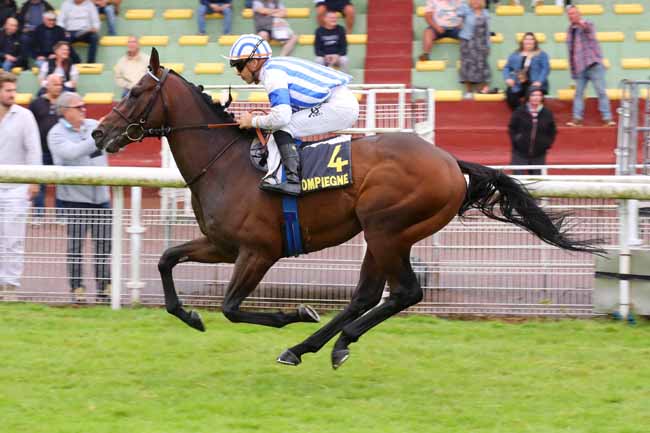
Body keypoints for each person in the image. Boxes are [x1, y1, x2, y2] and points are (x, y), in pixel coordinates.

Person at [227, 34, 359, 196]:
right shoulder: (274, 68)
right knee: (281, 126)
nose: (237, 73)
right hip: (337, 101)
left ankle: (291, 181)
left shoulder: (271, 75)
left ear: (254, 63)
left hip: (339, 106)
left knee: (284, 126)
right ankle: (280, 176)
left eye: (238, 66)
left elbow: (282, 117)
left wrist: (253, 121)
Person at [47, 91, 111, 303]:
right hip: (75, 199)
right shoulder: (55, 134)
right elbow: (73, 153)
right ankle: (77, 288)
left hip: (101, 196)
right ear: (65, 111)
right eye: (79, 106)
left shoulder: (93, 125)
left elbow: (110, 147)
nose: (84, 109)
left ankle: (105, 287)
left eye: (84, 105)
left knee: (104, 244)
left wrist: (108, 134)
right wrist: (100, 136)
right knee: (75, 246)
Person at [0, 70, 42, 299]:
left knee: (14, 239)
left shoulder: (25, 116)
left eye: (14, 90)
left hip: (17, 188)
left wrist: (33, 181)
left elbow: (34, 149)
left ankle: (10, 287)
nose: (12, 94)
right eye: (8, 90)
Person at [565, 5, 614, 127]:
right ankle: (577, 119)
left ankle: (607, 118)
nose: (572, 16)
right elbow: (571, 51)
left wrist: (580, 22)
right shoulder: (570, 30)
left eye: (574, 13)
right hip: (580, 67)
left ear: (579, 14)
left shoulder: (588, 24)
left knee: (601, 91)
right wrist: (573, 70)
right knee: (578, 93)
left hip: (593, 64)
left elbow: (586, 26)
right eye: (570, 14)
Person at [29, 73, 62, 216]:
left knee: (62, 185)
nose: (58, 87)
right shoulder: (36, 103)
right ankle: (38, 215)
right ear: (47, 85)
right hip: (41, 151)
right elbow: (30, 126)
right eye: (55, 84)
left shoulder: (66, 102)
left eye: (60, 84)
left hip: (60, 151)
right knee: (39, 184)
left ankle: (61, 215)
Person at [508, 86, 556, 175]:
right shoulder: (519, 111)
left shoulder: (547, 113)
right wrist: (517, 140)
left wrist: (546, 144)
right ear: (528, 97)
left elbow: (552, 131)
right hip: (520, 152)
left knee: (537, 180)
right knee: (518, 179)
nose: (536, 98)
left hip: (539, 153)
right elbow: (512, 128)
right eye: (533, 95)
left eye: (539, 95)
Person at [503, 32, 550, 110]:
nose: (529, 41)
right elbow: (507, 67)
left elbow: (545, 69)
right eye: (526, 39)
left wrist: (540, 81)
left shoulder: (541, 54)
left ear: (535, 42)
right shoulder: (515, 54)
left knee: (532, 97)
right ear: (523, 41)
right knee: (510, 94)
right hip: (518, 83)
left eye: (531, 39)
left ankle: (530, 113)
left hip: (534, 83)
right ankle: (520, 113)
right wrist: (507, 78)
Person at [457, 0, 491, 98]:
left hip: (481, 42)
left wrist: (488, 45)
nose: (476, 2)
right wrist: (460, 20)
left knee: (481, 65)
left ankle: (480, 89)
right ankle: (468, 91)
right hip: (467, 42)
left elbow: (487, 31)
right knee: (467, 65)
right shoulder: (466, 10)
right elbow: (459, 15)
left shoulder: (485, 13)